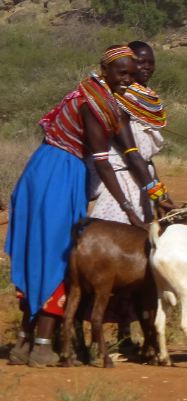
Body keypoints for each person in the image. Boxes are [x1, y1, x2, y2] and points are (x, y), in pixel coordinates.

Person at [5, 45, 161, 367]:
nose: (127, 81)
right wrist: (129, 208)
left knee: (43, 249)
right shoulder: (94, 103)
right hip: (59, 174)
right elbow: (104, 163)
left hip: (50, 170)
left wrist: (154, 190)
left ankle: (25, 342)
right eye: (122, 74)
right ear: (104, 70)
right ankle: (43, 345)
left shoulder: (100, 98)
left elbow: (131, 152)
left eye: (131, 75)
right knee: (59, 253)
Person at [85, 41, 171, 352]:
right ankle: (98, 339)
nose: (145, 68)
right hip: (119, 184)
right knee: (110, 261)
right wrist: (157, 192)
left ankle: (126, 333)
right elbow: (132, 157)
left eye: (150, 63)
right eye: (140, 64)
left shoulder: (147, 101)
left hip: (142, 185)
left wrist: (157, 190)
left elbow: (146, 160)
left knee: (138, 265)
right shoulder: (117, 100)